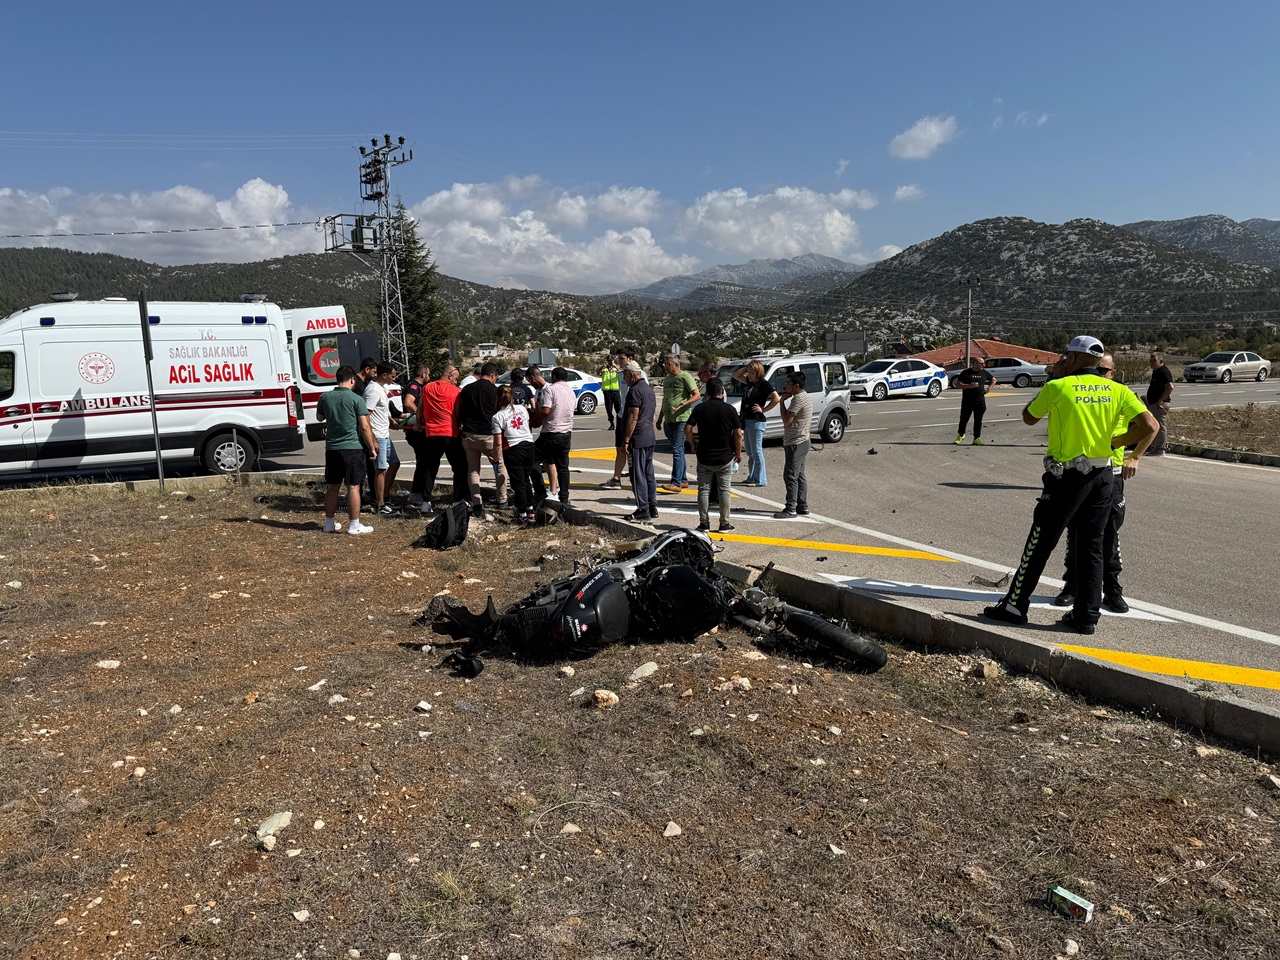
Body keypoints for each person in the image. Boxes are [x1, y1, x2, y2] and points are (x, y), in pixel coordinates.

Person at [983, 335, 1156, 635]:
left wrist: (1056, 377)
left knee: (1041, 541)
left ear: (1072, 359)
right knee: (1092, 546)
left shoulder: (1057, 386)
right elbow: (1149, 426)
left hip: (1066, 477)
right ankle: (1086, 617)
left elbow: (1028, 417)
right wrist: (1116, 441)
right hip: (1103, 475)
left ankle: (1014, 606)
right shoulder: (1118, 390)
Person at [1055, 351, 1133, 613]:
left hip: (1113, 472)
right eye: (1095, 369)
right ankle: (1072, 584)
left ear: (1113, 373)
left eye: (1103, 371)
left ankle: (1112, 588)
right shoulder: (1086, 393)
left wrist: (1135, 456)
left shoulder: (1121, 394)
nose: (1097, 376)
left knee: (1110, 532)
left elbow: (1147, 425)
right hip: (1081, 470)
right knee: (1076, 531)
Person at [316, 365, 377, 535]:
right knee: (353, 487)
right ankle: (354, 524)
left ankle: (329, 523)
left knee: (332, 486)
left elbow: (319, 417)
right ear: (352, 380)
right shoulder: (357, 399)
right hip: (352, 448)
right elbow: (365, 427)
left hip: (332, 448)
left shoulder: (325, 397)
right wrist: (371, 447)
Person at [685, 377, 742, 532]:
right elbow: (738, 434)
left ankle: (704, 523)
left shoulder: (700, 409)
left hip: (704, 456)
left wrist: (693, 444)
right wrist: (738, 452)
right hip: (724, 457)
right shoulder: (730, 410)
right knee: (724, 490)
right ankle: (724, 523)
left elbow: (687, 428)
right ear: (722, 392)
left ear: (707, 393)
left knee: (703, 489)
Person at [457, 361, 509, 520]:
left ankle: (477, 502)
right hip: (489, 436)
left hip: (470, 435)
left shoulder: (466, 389)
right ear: (493, 376)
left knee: (473, 470)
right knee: (499, 467)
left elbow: (458, 410)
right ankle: (502, 500)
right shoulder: (495, 391)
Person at [417, 365, 469, 511]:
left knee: (430, 468)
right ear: (450, 375)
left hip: (432, 433)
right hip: (450, 433)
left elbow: (420, 408)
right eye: (456, 378)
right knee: (459, 467)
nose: (456, 382)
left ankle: (426, 502)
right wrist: (460, 425)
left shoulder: (427, 388)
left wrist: (418, 423)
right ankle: (459, 499)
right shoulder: (456, 392)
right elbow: (458, 413)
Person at [599, 346, 645, 490]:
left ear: (630, 359)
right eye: (618, 358)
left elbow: (645, 396)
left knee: (632, 448)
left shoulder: (640, 374)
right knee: (620, 448)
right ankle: (616, 479)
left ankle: (638, 479)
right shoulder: (619, 374)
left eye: (622, 358)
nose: (619, 361)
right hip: (622, 415)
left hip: (634, 416)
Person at [530, 365, 575, 509]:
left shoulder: (551, 389)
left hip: (551, 432)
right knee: (562, 466)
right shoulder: (570, 391)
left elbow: (546, 409)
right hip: (566, 433)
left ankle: (540, 491)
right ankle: (564, 498)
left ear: (554, 377)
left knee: (532, 459)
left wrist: (535, 421)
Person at [732, 359, 780, 487]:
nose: (749, 375)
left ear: (758, 373)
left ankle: (760, 479)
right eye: (749, 372)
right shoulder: (749, 381)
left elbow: (776, 398)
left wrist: (763, 409)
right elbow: (736, 375)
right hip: (747, 420)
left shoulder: (763, 384)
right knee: (749, 451)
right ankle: (752, 477)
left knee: (757, 451)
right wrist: (746, 367)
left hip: (756, 420)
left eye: (752, 372)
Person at [492, 384, 536, 524]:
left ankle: (522, 513)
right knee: (526, 479)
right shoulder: (522, 408)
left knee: (518, 483)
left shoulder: (498, 416)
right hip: (528, 445)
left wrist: (495, 457)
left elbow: (498, 442)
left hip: (513, 449)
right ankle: (530, 510)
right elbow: (527, 426)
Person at [657, 355, 700, 494]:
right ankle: (683, 479)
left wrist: (685, 403)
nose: (666, 367)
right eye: (665, 364)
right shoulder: (667, 379)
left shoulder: (685, 377)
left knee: (676, 449)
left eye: (668, 364)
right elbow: (665, 399)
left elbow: (696, 395)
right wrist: (660, 418)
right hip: (669, 419)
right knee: (679, 450)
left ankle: (676, 483)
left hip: (682, 418)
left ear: (676, 365)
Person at [622, 361, 658, 523]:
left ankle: (643, 508)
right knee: (648, 472)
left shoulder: (634, 391)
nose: (624, 379)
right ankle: (652, 505)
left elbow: (633, 417)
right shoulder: (649, 390)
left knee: (637, 474)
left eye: (625, 375)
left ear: (631, 374)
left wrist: (627, 440)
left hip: (639, 437)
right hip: (649, 436)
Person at [363, 361, 402, 515]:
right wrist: (372, 439)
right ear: (384, 375)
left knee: (394, 463)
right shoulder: (373, 390)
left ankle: (384, 496)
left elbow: (380, 409)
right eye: (392, 376)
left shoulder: (381, 389)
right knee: (380, 470)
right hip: (378, 435)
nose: (394, 379)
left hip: (384, 433)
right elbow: (367, 415)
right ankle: (380, 504)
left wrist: (389, 419)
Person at [773, 370, 813, 518]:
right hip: (803, 440)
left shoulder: (798, 400)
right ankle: (802, 505)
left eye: (788, 383)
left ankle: (791, 508)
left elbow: (786, 422)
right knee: (799, 475)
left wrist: (782, 402)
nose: (785, 386)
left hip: (796, 442)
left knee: (790, 475)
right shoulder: (805, 397)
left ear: (796, 386)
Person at [401, 363, 432, 512]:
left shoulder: (418, 387)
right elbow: (408, 403)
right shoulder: (414, 386)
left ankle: (422, 493)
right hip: (416, 431)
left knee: (424, 462)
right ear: (422, 374)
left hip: (417, 429)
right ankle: (416, 494)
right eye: (428, 374)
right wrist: (421, 417)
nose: (430, 377)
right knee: (423, 463)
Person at [954, 356, 995, 445]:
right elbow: (958, 384)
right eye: (981, 363)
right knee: (964, 419)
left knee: (978, 420)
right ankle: (961, 435)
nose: (983, 365)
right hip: (967, 401)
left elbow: (993, 379)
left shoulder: (984, 373)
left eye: (984, 363)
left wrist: (989, 389)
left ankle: (976, 438)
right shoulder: (966, 373)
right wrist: (969, 386)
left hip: (980, 401)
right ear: (975, 363)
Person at [1145, 352, 1173, 456]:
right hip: (1153, 404)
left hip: (1160, 405)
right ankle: (1153, 446)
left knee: (1160, 426)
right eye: (1150, 361)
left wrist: (1161, 400)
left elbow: (1170, 386)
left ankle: (1160, 449)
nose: (1152, 363)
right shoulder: (1156, 372)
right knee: (1153, 425)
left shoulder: (1163, 371)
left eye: (1154, 361)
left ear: (1160, 361)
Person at [599, 356, 621, 429]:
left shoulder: (616, 369)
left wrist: (615, 366)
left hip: (615, 391)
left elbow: (622, 373)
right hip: (607, 391)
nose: (610, 362)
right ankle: (611, 424)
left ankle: (620, 423)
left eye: (611, 360)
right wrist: (602, 366)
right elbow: (597, 372)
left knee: (618, 409)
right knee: (609, 409)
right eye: (609, 361)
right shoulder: (604, 369)